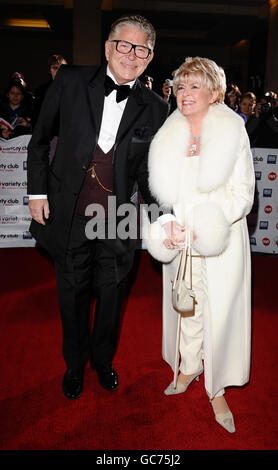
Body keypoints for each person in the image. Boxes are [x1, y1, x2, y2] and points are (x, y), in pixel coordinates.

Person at [27, 14, 169, 400]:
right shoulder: (70, 81)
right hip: (69, 211)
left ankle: (102, 361)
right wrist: (36, 194)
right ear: (108, 47)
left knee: (112, 295)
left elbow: (148, 174)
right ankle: (74, 365)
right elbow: (39, 141)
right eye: (124, 44)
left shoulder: (156, 108)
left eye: (141, 49)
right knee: (71, 294)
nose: (131, 54)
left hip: (118, 220)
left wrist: (161, 218)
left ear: (150, 56)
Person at [145, 57, 255, 433]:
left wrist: (202, 225)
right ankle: (189, 367)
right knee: (186, 303)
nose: (185, 93)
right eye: (180, 86)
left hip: (221, 235)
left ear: (214, 91)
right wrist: (173, 223)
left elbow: (243, 195)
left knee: (218, 311)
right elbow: (166, 195)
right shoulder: (170, 132)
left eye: (194, 86)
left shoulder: (232, 130)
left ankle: (217, 386)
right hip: (181, 237)